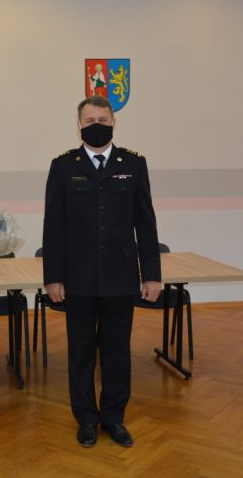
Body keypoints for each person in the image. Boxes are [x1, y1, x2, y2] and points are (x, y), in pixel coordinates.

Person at [42, 95, 162, 448]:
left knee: (116, 351)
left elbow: (145, 222)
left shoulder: (134, 164)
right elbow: (53, 226)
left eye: (103, 120)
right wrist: (53, 276)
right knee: (80, 352)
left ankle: (114, 417)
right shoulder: (63, 165)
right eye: (90, 120)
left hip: (120, 276)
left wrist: (151, 274)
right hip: (77, 277)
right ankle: (86, 419)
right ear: (79, 125)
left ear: (113, 122)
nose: (97, 126)